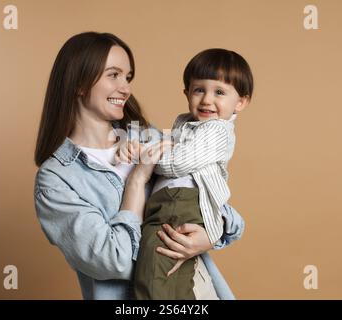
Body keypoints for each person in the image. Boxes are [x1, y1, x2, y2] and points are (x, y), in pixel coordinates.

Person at [34, 32, 243, 300]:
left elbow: (225, 214)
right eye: (113, 75)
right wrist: (136, 180)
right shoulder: (57, 180)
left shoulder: (150, 138)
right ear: (79, 83)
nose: (126, 88)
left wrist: (209, 236)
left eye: (127, 77)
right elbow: (114, 261)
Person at [134, 48, 252, 300]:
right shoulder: (187, 123)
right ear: (187, 92)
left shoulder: (218, 130)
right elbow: (165, 147)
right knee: (166, 271)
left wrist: (147, 158)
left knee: (157, 270)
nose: (207, 100)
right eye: (199, 90)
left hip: (181, 201)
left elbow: (176, 164)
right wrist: (142, 147)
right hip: (168, 202)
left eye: (219, 92)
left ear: (240, 102)